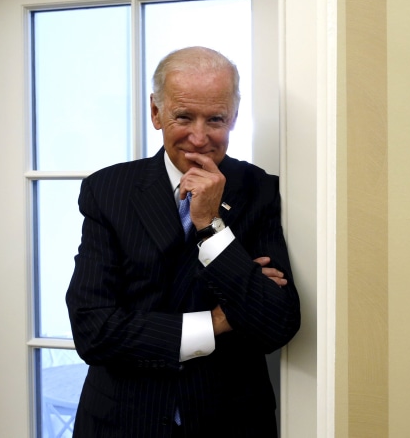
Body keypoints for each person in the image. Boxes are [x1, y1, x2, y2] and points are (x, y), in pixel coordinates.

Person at [66, 46, 300, 437]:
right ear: (157, 114)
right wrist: (215, 322)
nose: (199, 137)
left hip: (230, 420)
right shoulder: (108, 190)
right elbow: (93, 330)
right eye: (184, 117)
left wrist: (210, 225)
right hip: (123, 420)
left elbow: (275, 325)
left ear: (235, 117)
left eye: (216, 119)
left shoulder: (260, 190)